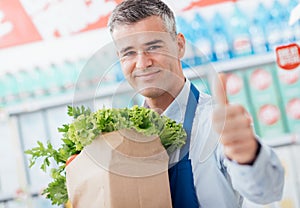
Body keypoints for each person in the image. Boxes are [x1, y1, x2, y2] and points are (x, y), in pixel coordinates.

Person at [107, 0, 284, 207]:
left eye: (153, 46)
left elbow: (266, 191)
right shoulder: (121, 137)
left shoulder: (214, 121)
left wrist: (248, 156)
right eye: (129, 52)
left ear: (179, 46)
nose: (142, 63)